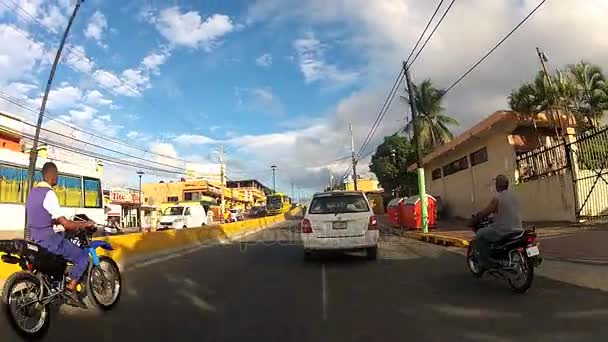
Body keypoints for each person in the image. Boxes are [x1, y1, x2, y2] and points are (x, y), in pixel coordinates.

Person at [26, 162, 94, 308]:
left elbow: (40, 215)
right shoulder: (49, 193)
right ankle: (70, 288)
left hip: (35, 239)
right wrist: (85, 224)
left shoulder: (32, 193)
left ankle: (58, 281)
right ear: (51, 175)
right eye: (56, 174)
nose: (57, 177)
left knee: (63, 236)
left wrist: (54, 223)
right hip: (49, 241)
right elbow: (67, 224)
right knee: (83, 257)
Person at [472, 174, 523, 269]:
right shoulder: (514, 196)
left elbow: (485, 213)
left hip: (503, 231)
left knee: (480, 233)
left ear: (498, 185)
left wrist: (476, 218)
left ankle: (485, 261)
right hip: (518, 229)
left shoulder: (497, 198)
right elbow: (506, 212)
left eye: (496, 183)